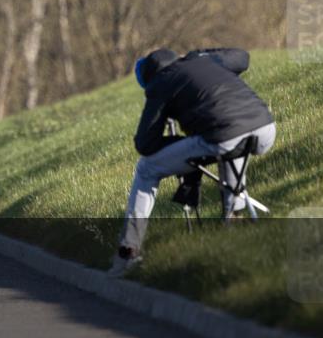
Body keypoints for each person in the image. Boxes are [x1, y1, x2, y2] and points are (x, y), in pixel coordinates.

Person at [109, 47, 276, 277]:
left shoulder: (160, 84)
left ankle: (128, 251)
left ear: (150, 78)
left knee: (146, 169)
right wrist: (204, 54)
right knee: (227, 142)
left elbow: (145, 144)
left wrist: (178, 141)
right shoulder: (206, 60)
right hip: (266, 129)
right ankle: (233, 219)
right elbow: (242, 57)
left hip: (225, 136)